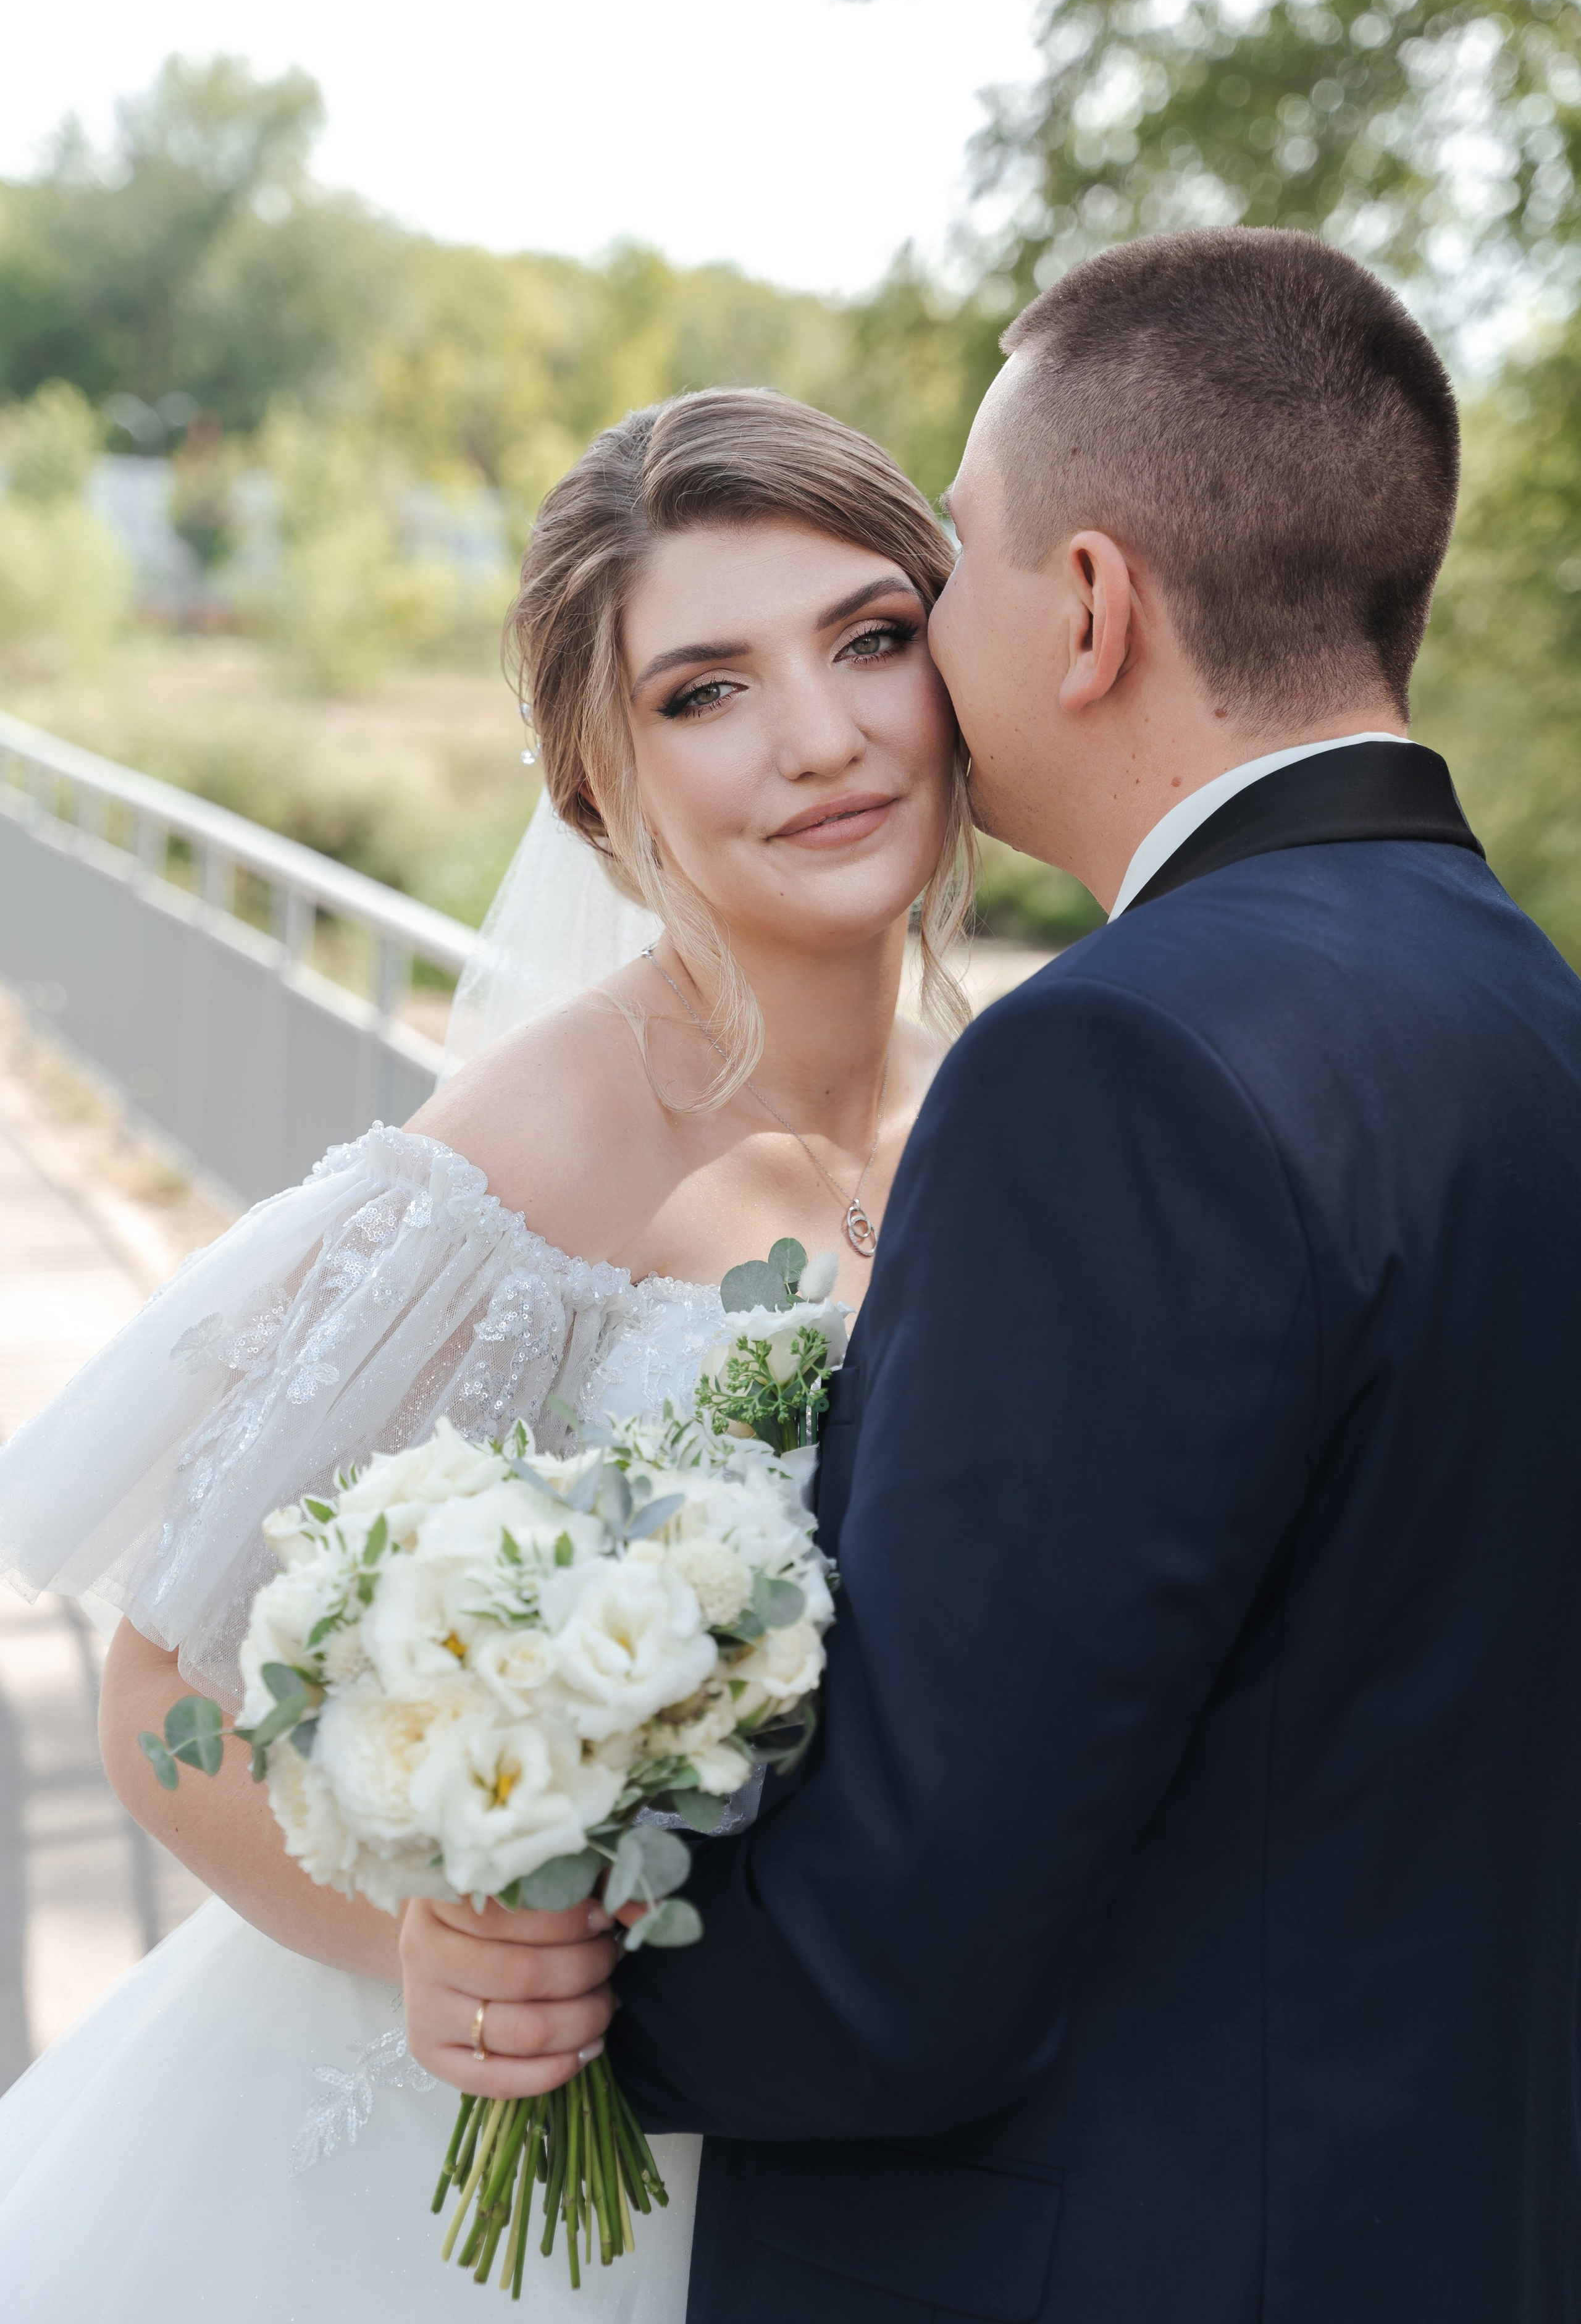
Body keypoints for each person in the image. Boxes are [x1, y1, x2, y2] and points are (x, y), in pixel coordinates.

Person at [402, 229, 1581, 2323]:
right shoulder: (1522, 1006)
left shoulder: (1108, 1062)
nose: (908, 666)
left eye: (935, 578)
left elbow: (897, 1955)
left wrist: (557, 2002)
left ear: (1096, 608)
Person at [0, 387, 974, 2320]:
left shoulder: (988, 1116)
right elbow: (167, 1701)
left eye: (871, 639)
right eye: (705, 690)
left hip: (818, 2132)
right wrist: (427, 1941)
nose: (821, 735)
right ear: (596, 783)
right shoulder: (526, 1161)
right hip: (460, 2180)